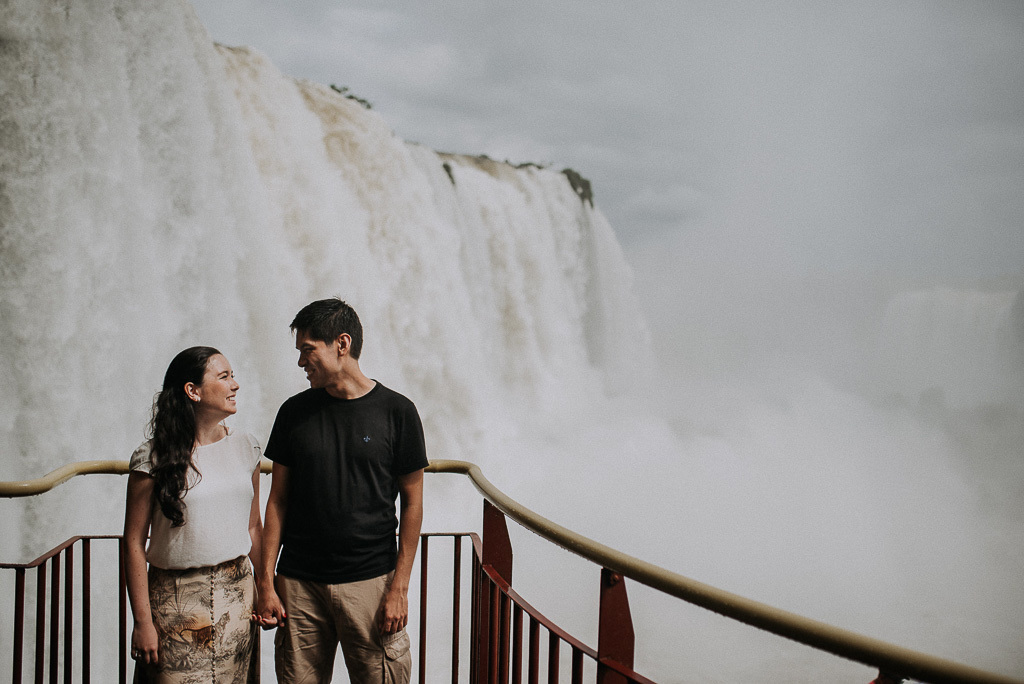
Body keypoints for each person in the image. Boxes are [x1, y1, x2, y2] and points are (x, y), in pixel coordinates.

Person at [256, 298, 427, 684]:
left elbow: (413, 503)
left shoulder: (397, 412)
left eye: (307, 350)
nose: (301, 362)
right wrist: (266, 582)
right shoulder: (293, 412)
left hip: (371, 583)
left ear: (342, 344)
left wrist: (399, 588)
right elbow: (277, 501)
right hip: (299, 585)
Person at [123, 347, 266, 683]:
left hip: (238, 600)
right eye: (224, 376)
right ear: (193, 391)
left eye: (233, 376)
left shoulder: (247, 448)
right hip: (175, 606)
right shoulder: (152, 458)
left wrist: (267, 587)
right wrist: (142, 622)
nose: (235, 385)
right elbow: (133, 543)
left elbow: (253, 527)